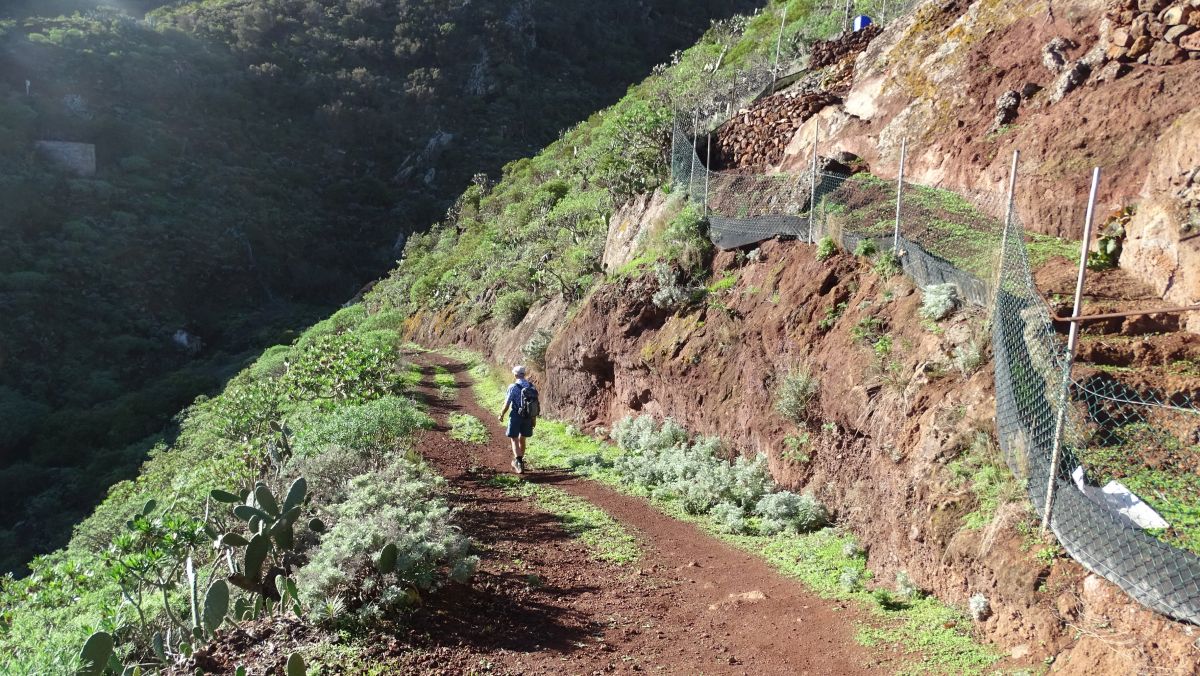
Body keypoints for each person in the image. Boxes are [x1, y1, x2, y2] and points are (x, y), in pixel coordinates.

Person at [498, 365, 537, 473]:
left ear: (515, 375)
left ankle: (519, 462)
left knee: (514, 438)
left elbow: (507, 403)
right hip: (528, 416)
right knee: (522, 438)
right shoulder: (531, 386)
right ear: (524, 374)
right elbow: (533, 404)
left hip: (516, 415)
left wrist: (501, 414)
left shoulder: (513, 387)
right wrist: (533, 419)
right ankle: (519, 461)